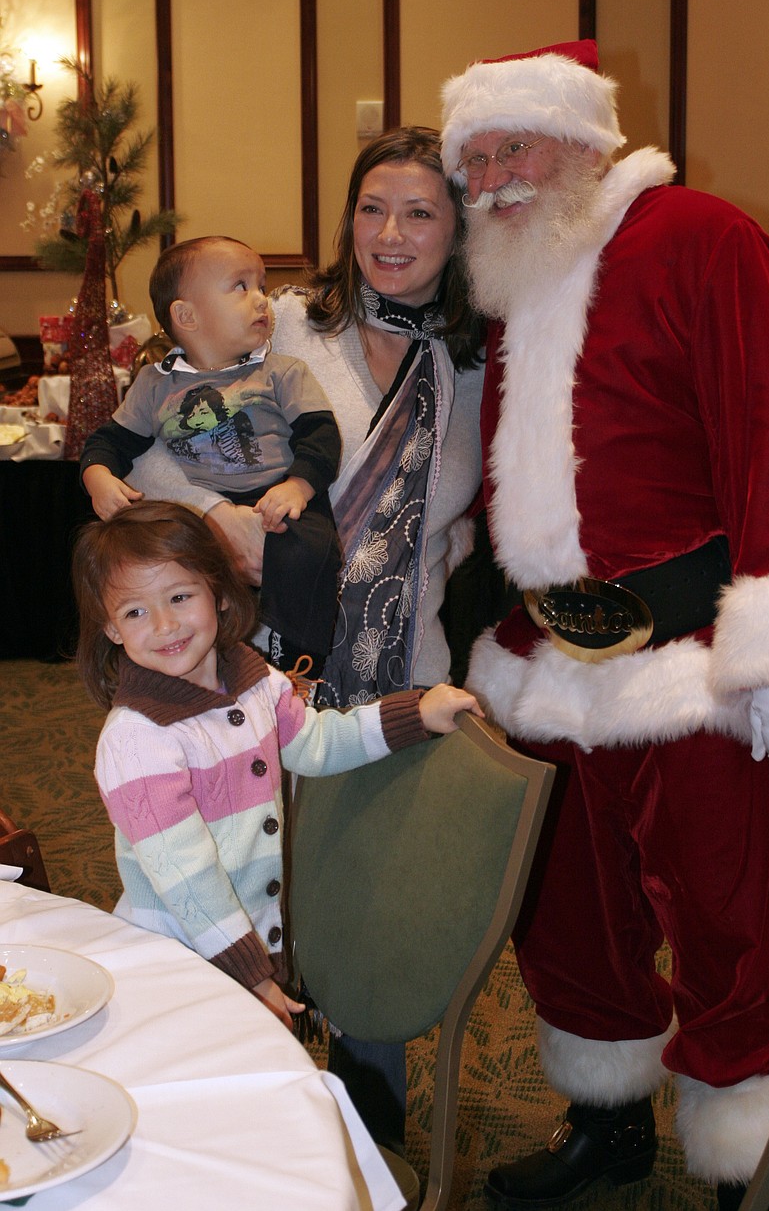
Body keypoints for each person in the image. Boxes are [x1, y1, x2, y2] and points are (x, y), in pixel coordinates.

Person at [440, 39, 769, 1211]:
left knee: (736, 919)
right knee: (568, 915)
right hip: (542, 662)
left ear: (579, 141)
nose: (491, 176)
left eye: (511, 145)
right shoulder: (515, 272)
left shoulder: (704, 240)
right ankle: (607, 1120)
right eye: (473, 156)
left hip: (691, 660)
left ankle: (750, 1153)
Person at [119, 127, 488, 1156]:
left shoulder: (469, 363)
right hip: (243, 674)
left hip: (395, 678)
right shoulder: (280, 324)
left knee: (368, 913)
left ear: (455, 226)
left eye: (419, 211)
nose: (390, 232)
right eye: (371, 207)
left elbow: (462, 513)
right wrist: (217, 517)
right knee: (228, 892)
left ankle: (362, 1129)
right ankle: (234, 1122)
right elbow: (152, 454)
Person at [71, 500, 482, 1033]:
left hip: (245, 943)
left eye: (179, 596)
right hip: (178, 957)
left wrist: (413, 713)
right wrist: (251, 973)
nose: (165, 624)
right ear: (110, 628)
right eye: (135, 612)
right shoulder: (137, 740)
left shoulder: (252, 677)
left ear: (217, 593)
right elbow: (185, 875)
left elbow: (314, 742)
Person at [80, 235, 343, 675]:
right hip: (203, 504)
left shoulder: (280, 372)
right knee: (166, 567)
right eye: (240, 287)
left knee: (309, 551)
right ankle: (200, 661)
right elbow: (110, 442)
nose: (262, 300)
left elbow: (319, 434)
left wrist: (298, 486)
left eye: (261, 285)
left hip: (279, 492)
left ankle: (302, 659)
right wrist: (98, 478)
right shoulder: (154, 384)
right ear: (186, 315)